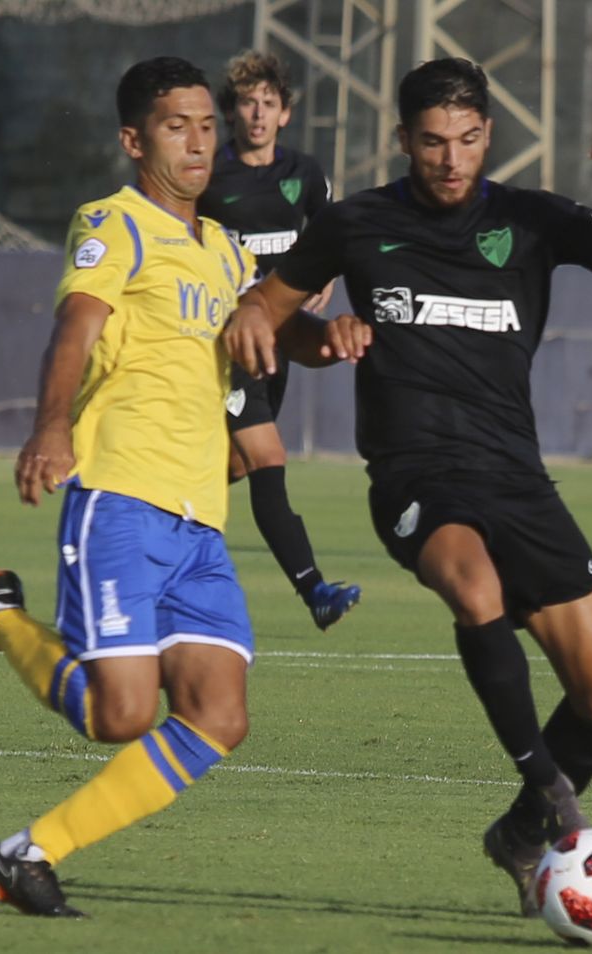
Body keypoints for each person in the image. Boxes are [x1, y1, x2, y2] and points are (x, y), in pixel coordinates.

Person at [223, 58, 592, 917]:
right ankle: (550, 791)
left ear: (487, 139)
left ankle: (517, 835)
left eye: (468, 140)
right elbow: (262, 312)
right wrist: (315, 336)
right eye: (433, 141)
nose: (451, 158)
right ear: (404, 140)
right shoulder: (356, 223)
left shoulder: (532, 219)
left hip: (518, 477)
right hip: (415, 474)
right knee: (473, 589)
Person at [0, 57, 261, 918]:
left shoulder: (225, 249)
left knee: (218, 716)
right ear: (133, 138)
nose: (196, 142)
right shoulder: (114, 223)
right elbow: (76, 327)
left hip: (199, 521)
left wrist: (337, 334)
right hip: (120, 497)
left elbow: (262, 340)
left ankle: (24, 855)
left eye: (206, 125)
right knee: (119, 715)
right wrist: (51, 425)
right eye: (176, 125)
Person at [196, 50, 360, 631]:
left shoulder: (305, 174)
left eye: (269, 103)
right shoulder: (210, 176)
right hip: (229, 341)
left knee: (232, 468)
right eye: (247, 102)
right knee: (267, 457)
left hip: (281, 341)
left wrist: (329, 275)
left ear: (285, 113)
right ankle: (314, 589)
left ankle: (136, 518)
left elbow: (334, 234)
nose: (258, 113)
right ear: (232, 110)